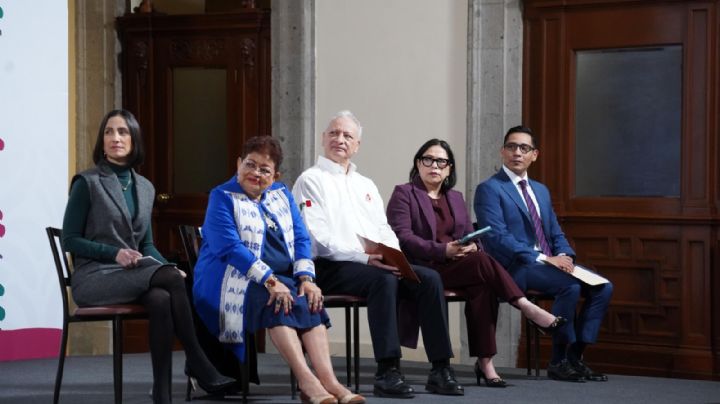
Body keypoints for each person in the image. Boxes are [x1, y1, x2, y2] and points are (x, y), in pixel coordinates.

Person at [62, 109, 235, 403]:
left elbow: (147, 245)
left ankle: (163, 394)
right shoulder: (87, 183)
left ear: (134, 140)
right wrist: (113, 253)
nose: (115, 138)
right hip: (93, 277)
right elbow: (70, 239)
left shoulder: (145, 187)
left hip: (128, 276)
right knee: (169, 278)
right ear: (101, 141)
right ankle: (198, 360)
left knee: (162, 297)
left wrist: (166, 267)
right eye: (108, 132)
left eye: (122, 132)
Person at [293, 111, 464, 398]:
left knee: (429, 278)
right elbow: (317, 238)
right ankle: (387, 371)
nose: (340, 139)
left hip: (373, 263)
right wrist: (365, 258)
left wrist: (393, 257)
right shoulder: (310, 180)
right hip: (330, 266)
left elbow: (384, 230)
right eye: (334, 133)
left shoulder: (366, 185)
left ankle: (440, 369)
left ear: (357, 145)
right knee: (382, 281)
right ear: (323, 139)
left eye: (348, 135)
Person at [192, 136, 364, 404]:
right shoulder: (222, 197)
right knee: (278, 302)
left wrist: (307, 279)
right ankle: (308, 382)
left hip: (279, 277)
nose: (255, 173)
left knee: (310, 301)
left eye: (264, 170)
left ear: (275, 176)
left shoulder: (281, 194)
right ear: (238, 163)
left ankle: (329, 381)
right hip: (228, 279)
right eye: (250, 164)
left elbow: (302, 238)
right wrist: (271, 281)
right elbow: (230, 248)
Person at [386, 138, 566, 387]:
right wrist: (443, 250)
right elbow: (403, 238)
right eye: (428, 159)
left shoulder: (455, 197)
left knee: (483, 283)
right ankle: (526, 306)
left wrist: (472, 245)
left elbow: (468, 232)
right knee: (482, 266)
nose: (434, 166)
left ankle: (485, 361)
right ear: (418, 164)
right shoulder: (404, 193)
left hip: (456, 265)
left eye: (441, 161)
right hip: (424, 268)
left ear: (449, 168)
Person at [473, 125, 614, 382]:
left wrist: (565, 255)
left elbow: (554, 231)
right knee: (569, 287)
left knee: (603, 287)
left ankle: (575, 355)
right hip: (515, 267)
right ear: (502, 152)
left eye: (524, 148)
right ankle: (558, 361)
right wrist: (543, 258)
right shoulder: (490, 189)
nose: (517, 152)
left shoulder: (541, 190)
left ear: (534, 155)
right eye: (511, 147)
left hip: (549, 264)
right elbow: (496, 236)